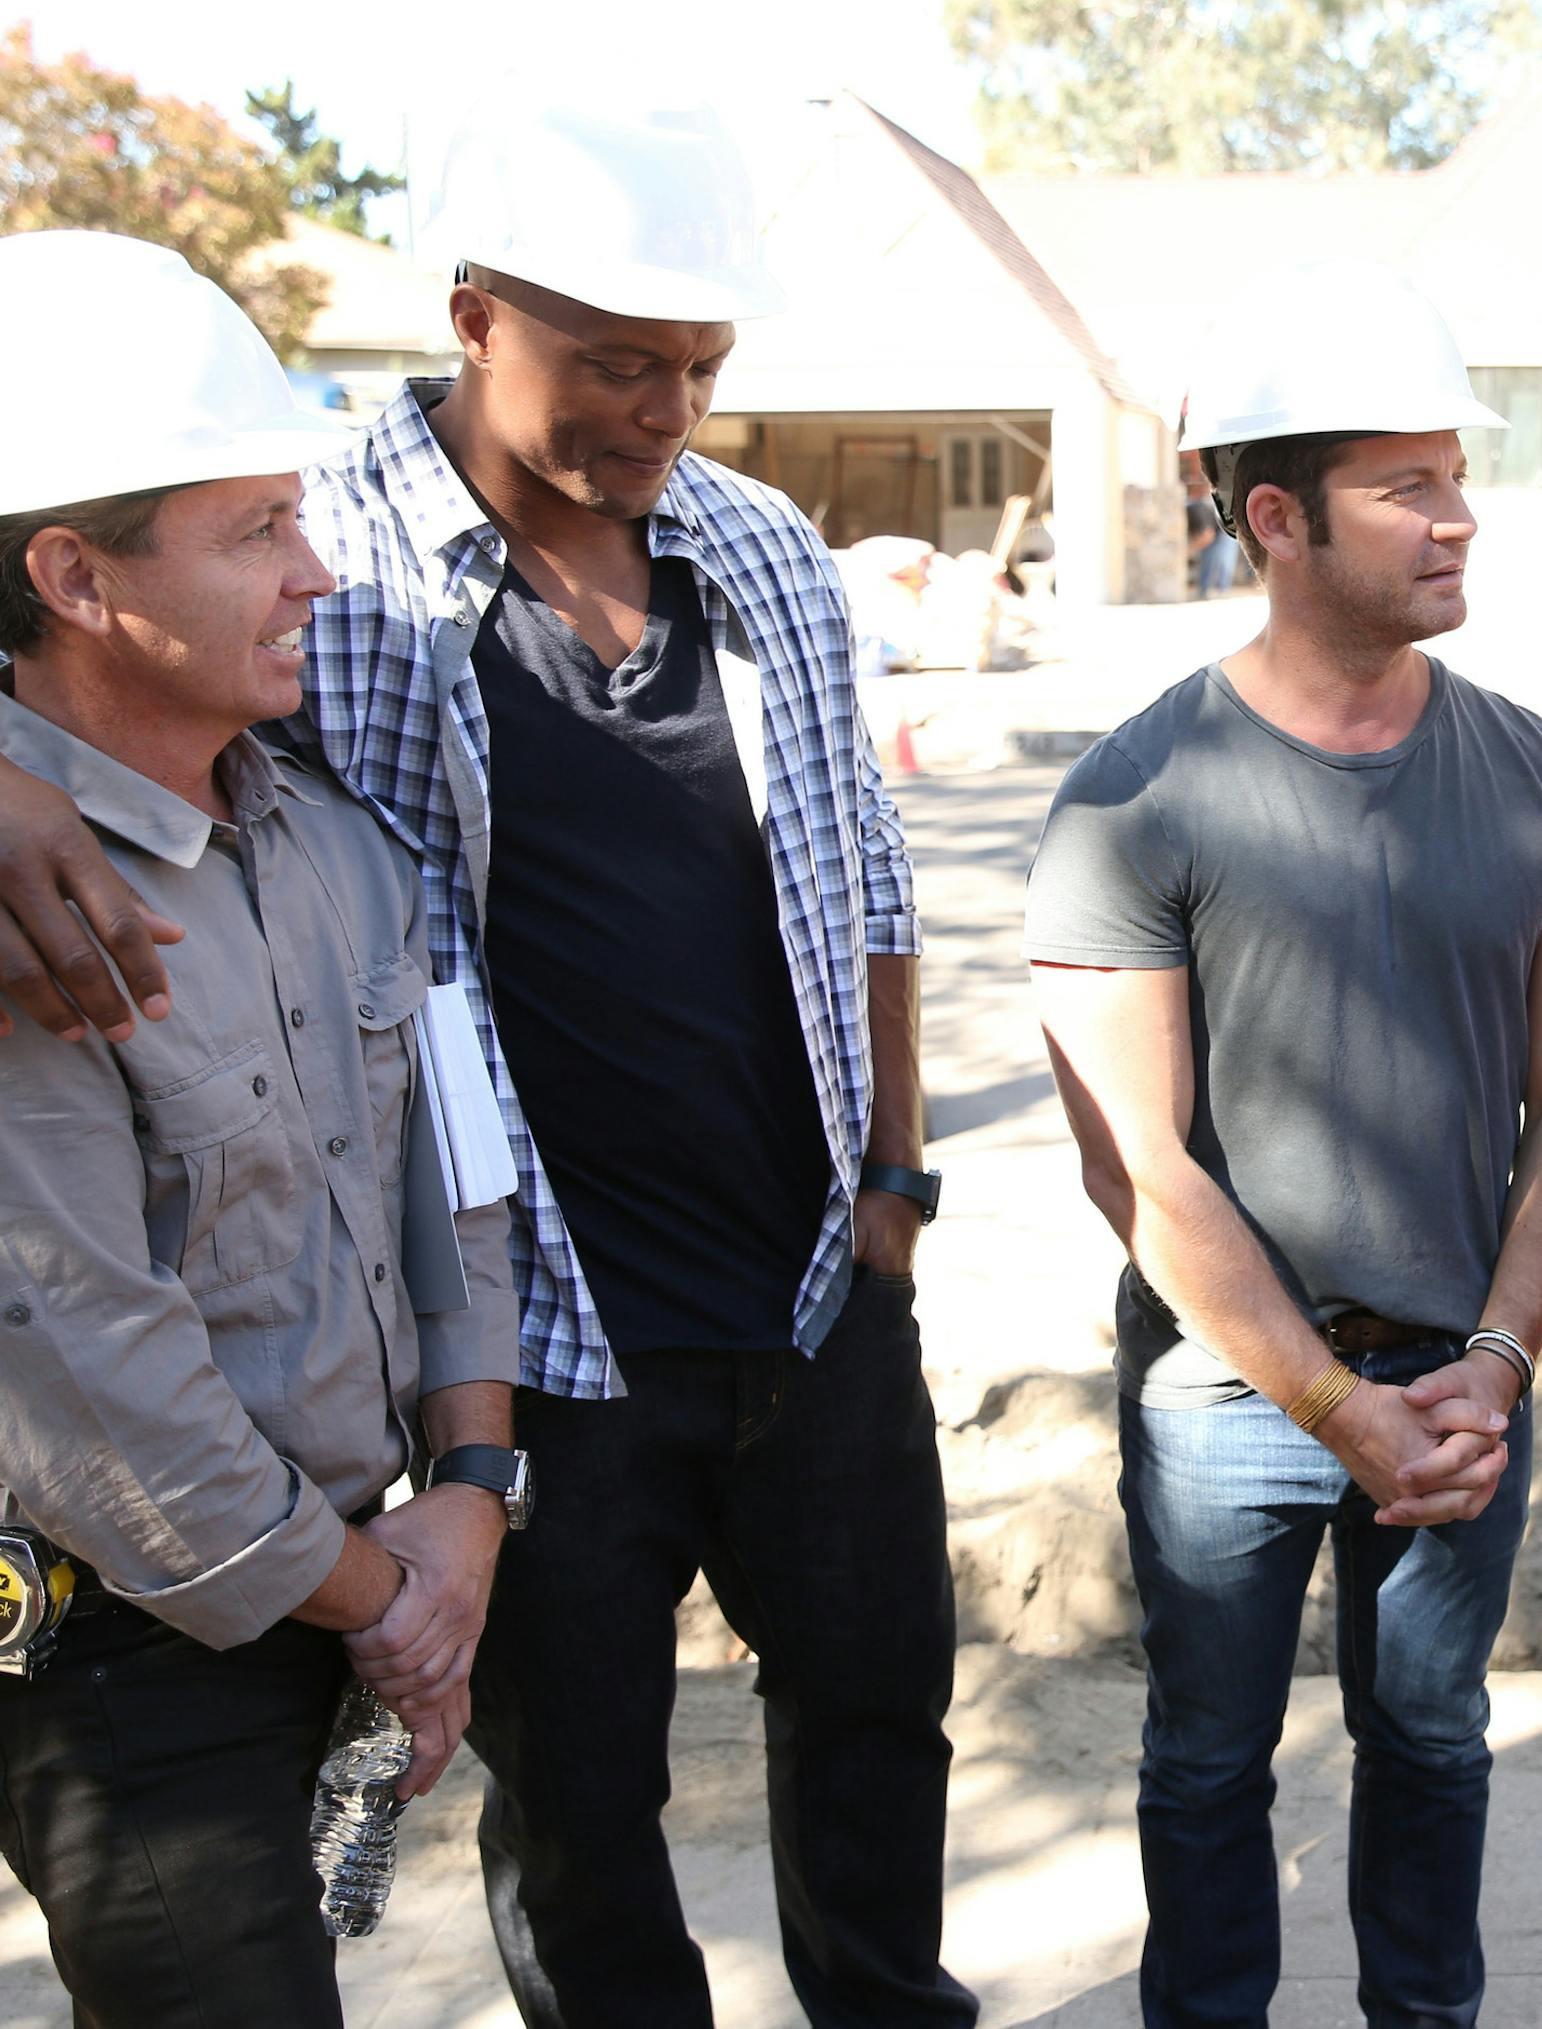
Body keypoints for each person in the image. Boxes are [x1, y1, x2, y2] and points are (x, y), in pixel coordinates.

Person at [0, 108, 971, 2029]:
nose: (667, 409)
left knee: (879, 1732)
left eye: (700, 366)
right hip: (542, 1334)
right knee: (583, 1814)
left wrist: (894, 1184)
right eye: (616, 358)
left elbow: (864, 870)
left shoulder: (759, 545)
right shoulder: (318, 540)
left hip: (808, 1291)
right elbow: (82, 636)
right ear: (472, 316)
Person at [1024, 260, 1542, 2029]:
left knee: (1432, 1740)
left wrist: (1498, 1363)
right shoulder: (1134, 797)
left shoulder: (1531, 774)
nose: (1461, 519)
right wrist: (1326, 1401)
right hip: (1227, 1399)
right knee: (1207, 1762)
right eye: (1410, 485)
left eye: (1458, 472)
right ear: (1274, 517)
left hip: (1461, 1385)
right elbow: (1135, 1164)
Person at [0, 232, 521, 2026]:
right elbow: (93, 1379)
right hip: (134, 1654)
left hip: (356, 1566)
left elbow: (454, 1184)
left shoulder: (334, 843)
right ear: (70, 572)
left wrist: (471, 1488)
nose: (317, 576)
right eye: (253, 536)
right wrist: (387, 1594)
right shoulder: (28, 923)